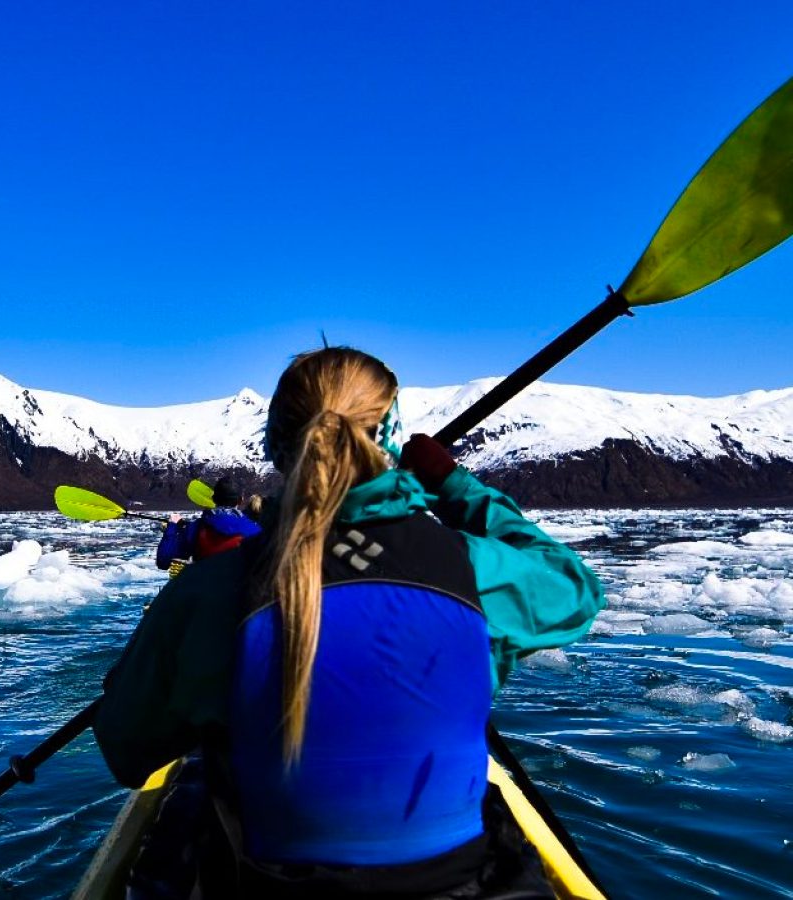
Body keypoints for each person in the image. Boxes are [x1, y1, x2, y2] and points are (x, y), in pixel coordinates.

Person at [94, 347, 605, 898]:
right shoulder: (473, 570)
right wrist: (454, 485)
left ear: (274, 446)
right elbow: (574, 587)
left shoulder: (208, 591)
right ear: (389, 437)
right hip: (461, 883)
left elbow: (127, 752)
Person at [155, 477, 261, 570]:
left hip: (204, 589)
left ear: (214, 499)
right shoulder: (255, 531)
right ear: (240, 501)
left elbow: (163, 561)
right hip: (241, 590)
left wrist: (172, 527)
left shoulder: (195, 529)